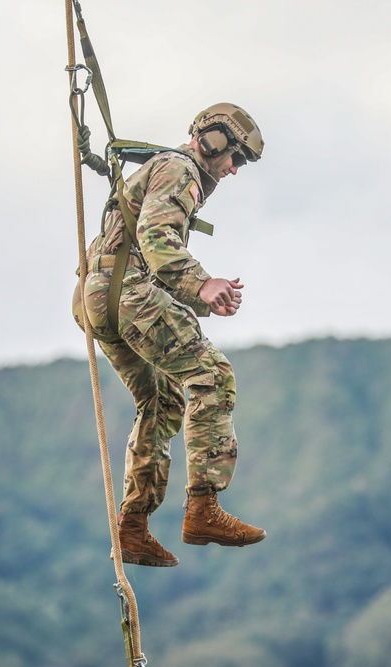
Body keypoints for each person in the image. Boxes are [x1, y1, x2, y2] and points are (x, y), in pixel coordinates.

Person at [72, 103, 267, 567]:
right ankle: (203, 507)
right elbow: (158, 237)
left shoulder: (166, 168)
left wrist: (203, 298)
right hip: (125, 294)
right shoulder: (182, 170)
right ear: (215, 141)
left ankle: (133, 528)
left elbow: (148, 250)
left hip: (98, 297)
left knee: (162, 402)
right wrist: (202, 284)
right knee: (212, 375)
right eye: (234, 158)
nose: (233, 170)